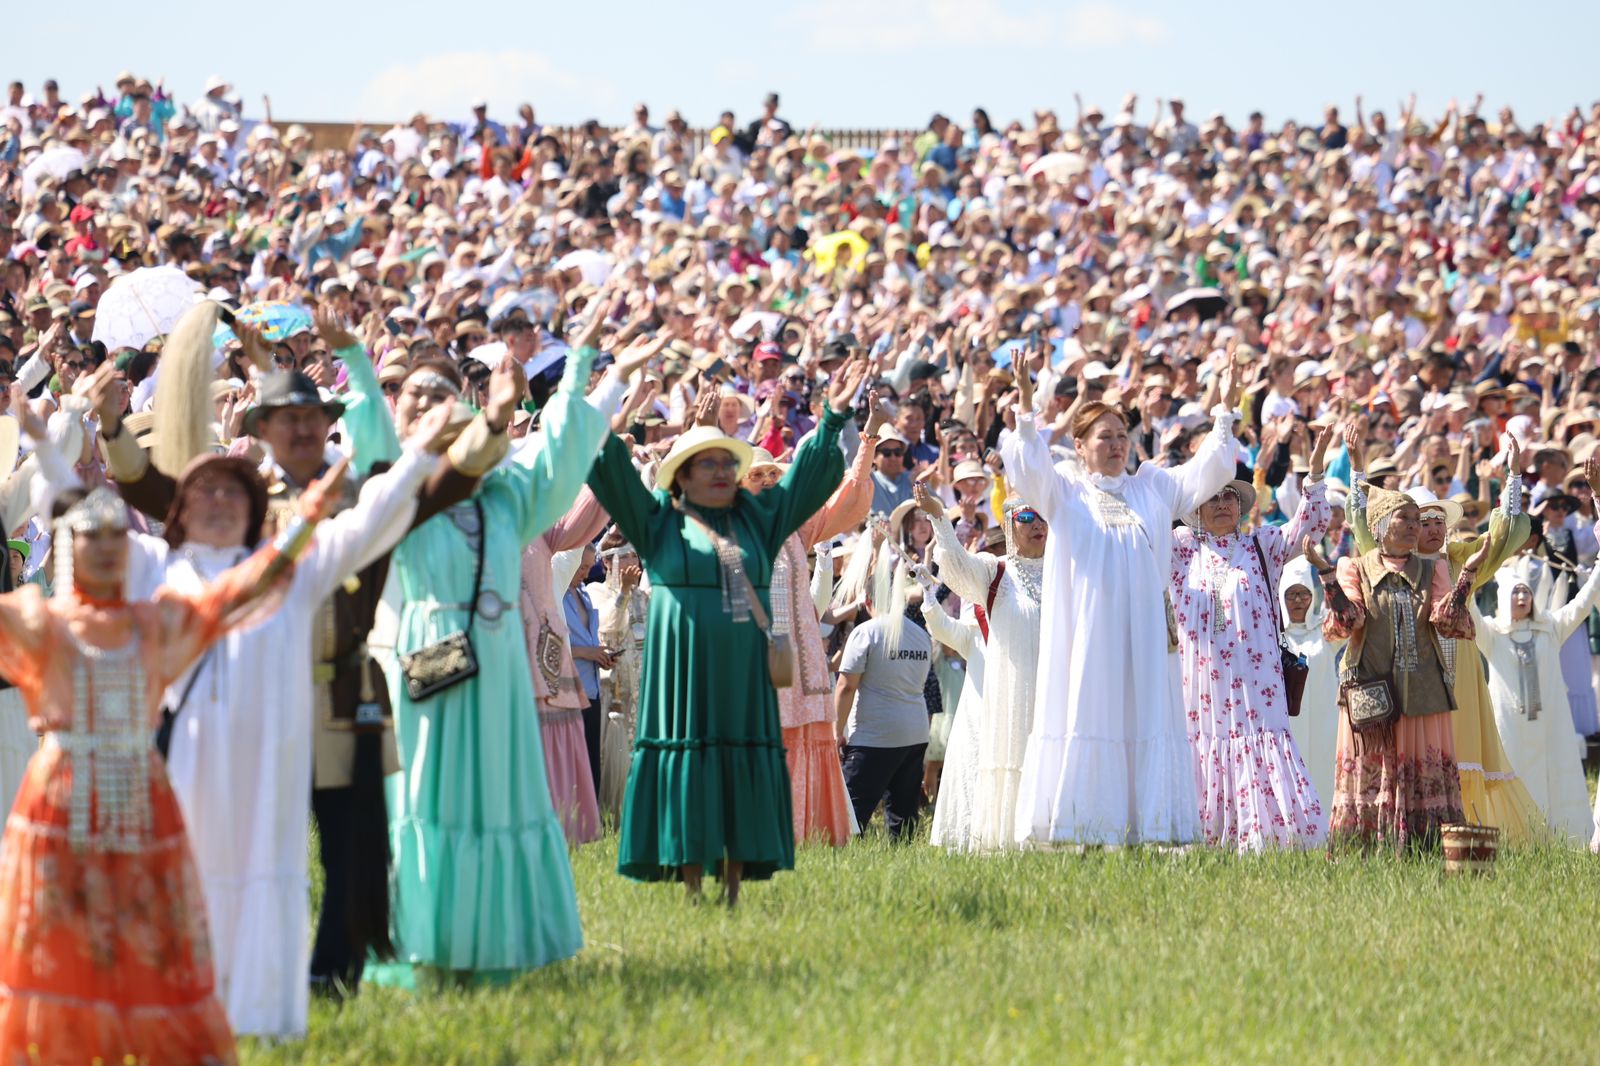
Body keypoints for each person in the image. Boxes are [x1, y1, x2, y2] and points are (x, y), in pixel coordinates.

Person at [71, 352, 457, 1038]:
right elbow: (137, 495)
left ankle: (317, 982)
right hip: (210, 727)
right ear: (266, 427)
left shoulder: (345, 502)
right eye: (289, 418)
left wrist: (427, 448)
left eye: (314, 417)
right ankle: (184, 992)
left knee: (342, 847)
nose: (304, 429)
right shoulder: (193, 537)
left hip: (337, 695)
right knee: (202, 855)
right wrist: (103, 428)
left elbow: (398, 510)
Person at [0, 464, 341, 1064]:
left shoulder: (156, 624)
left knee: (148, 924)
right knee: (58, 927)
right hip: (59, 799)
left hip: (141, 795)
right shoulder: (41, 623)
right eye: (90, 538)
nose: (105, 549)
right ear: (67, 550)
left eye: (115, 538)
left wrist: (307, 519)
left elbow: (241, 590)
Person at [370, 341, 608, 986]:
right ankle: (425, 938)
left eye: (446, 401)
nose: (434, 414)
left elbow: (561, 464)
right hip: (427, 647)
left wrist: (592, 378)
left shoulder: (504, 498)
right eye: (416, 396)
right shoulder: (394, 480)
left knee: (494, 796)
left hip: (498, 661)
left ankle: (491, 939)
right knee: (429, 792)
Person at [585, 358, 863, 905]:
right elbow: (608, 465)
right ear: (680, 476)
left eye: (723, 462)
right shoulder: (659, 521)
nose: (715, 471)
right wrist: (616, 408)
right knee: (690, 761)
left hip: (742, 672)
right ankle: (691, 887)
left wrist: (831, 420)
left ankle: (733, 889)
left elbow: (806, 480)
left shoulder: (759, 522)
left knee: (739, 764)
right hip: (681, 674)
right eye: (701, 463)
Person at [1002, 353, 1243, 847]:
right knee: (1091, 709)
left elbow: (1209, 471)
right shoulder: (1066, 492)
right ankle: (1086, 824)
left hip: (1147, 633)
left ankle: (1152, 825)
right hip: (1088, 633)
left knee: (1147, 711)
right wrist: (1027, 409)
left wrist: (1223, 411)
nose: (1116, 445)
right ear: (1081, 446)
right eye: (1104, 437)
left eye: (1121, 436)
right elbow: (1027, 470)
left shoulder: (1152, 487)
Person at [1344, 432, 1542, 842]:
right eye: (1422, 522)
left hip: (1462, 678)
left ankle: (1461, 836)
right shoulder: (1389, 562)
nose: (1430, 530)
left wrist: (1514, 476)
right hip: (1408, 677)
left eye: (1438, 522)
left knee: (1462, 755)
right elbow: (1364, 528)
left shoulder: (1458, 559)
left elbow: (1503, 538)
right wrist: (1358, 468)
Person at [1170, 428, 1331, 852]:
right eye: (1213, 497)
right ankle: (1207, 836)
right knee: (1204, 748)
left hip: (1258, 683)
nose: (1223, 504)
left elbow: (1311, 524)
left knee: (1264, 744)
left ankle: (1269, 837)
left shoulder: (1263, 544)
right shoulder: (1181, 550)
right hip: (1204, 687)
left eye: (1230, 497)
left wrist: (1313, 473)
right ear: (1195, 508)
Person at [742, 392, 887, 847]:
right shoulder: (729, 527)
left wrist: (868, 439)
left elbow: (845, 503)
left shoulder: (796, 526)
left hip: (798, 655)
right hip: (756, 655)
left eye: (773, 474)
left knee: (801, 734)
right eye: (758, 475)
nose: (768, 480)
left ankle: (807, 834)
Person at [1315, 484, 1486, 850]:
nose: (1414, 525)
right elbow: (1347, 623)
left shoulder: (1433, 569)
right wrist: (1328, 579)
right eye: (1404, 518)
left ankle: (1424, 848)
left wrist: (1466, 578)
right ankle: (1364, 849)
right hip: (1371, 694)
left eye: (1417, 519)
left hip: (1424, 694)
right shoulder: (1355, 567)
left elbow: (1447, 622)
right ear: (1378, 526)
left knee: (1424, 772)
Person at [922, 482, 1046, 851]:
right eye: (1026, 516)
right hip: (1007, 692)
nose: (1037, 523)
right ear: (1008, 525)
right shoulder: (995, 571)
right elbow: (957, 568)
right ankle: (1003, 841)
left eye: (1043, 516)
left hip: (1052, 690)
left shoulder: (1065, 571)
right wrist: (939, 517)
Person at [1474, 557, 1599, 842]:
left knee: (1554, 778)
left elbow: (1584, 601)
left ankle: (1563, 837)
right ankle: (1515, 838)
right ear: (1504, 598)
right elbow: (1470, 614)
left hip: (1550, 729)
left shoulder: (1550, 629)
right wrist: (1464, 572)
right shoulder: (1493, 635)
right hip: (1511, 731)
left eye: (1526, 591)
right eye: (1516, 592)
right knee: (1514, 779)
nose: (1522, 597)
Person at [521, 488, 610, 846]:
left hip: (544, 656)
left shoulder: (551, 540)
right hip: (502, 649)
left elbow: (587, 514)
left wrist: (596, 455)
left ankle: (554, 827)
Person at [834, 538, 933, 842]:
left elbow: (846, 685)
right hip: (915, 733)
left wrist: (835, 731)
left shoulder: (866, 633)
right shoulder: (921, 636)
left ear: (867, 602)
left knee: (850, 816)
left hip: (874, 736)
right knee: (903, 818)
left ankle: (843, 866)